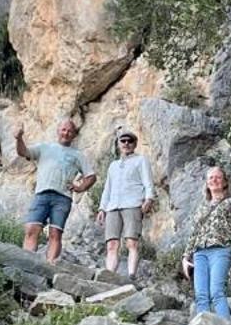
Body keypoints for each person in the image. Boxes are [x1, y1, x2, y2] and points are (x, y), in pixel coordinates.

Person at [16, 116, 96, 263]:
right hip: (42, 194)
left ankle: (50, 266)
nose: (66, 133)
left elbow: (91, 176)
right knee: (31, 229)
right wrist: (19, 138)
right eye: (63, 129)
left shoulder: (77, 155)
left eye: (70, 131)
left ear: (74, 135)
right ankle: (27, 264)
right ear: (58, 131)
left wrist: (80, 187)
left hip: (62, 198)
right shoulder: (44, 148)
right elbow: (23, 152)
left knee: (55, 233)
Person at [181, 163, 231, 318]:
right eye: (211, 178)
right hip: (199, 253)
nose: (214, 180)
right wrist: (185, 257)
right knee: (201, 296)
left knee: (217, 292)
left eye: (218, 177)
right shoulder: (201, 208)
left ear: (225, 182)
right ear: (207, 184)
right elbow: (194, 234)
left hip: (220, 250)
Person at [96, 126, 155, 280]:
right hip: (113, 206)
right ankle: (109, 276)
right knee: (111, 244)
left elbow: (148, 182)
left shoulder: (141, 160)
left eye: (130, 141)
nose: (126, 143)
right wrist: (102, 208)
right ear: (118, 144)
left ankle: (131, 275)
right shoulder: (113, 165)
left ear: (135, 144)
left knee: (131, 242)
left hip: (132, 203)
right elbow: (107, 189)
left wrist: (149, 198)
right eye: (123, 140)